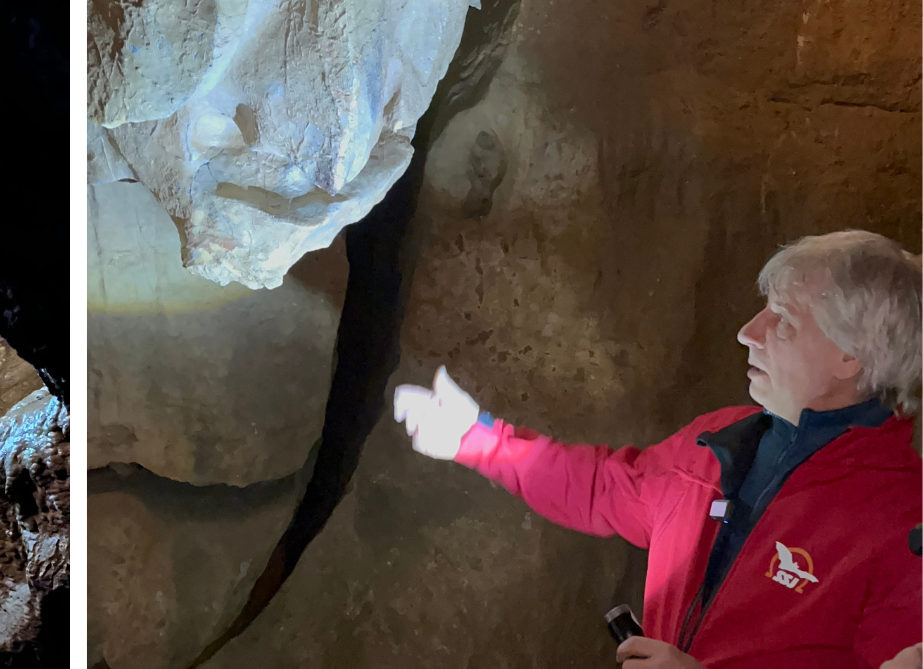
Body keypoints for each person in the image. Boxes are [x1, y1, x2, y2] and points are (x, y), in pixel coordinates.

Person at [394, 230, 921, 669]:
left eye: (782, 319)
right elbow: (605, 488)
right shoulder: (721, 439)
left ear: (850, 356)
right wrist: (476, 439)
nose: (746, 332)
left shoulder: (903, 525)